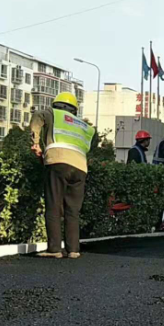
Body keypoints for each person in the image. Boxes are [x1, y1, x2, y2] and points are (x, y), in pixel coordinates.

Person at [29, 92, 98, 259]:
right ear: (74, 109)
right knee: (73, 210)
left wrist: (35, 142)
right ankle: (73, 249)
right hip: (80, 166)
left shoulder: (53, 113)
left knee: (53, 205)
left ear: (56, 105)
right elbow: (92, 141)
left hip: (58, 161)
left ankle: (54, 249)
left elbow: (38, 116)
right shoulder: (83, 125)